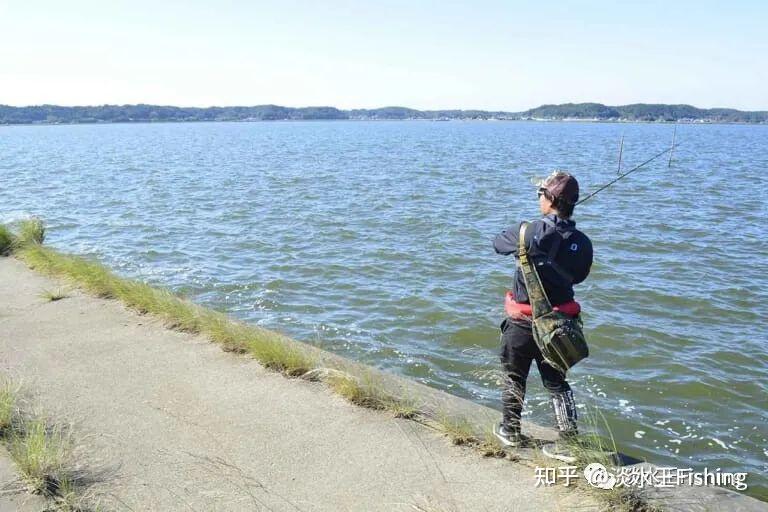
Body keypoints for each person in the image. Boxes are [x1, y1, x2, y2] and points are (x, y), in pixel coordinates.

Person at [492, 170, 593, 450]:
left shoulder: (526, 232)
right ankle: (569, 443)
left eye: (541, 193)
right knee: (557, 384)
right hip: (559, 328)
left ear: (549, 199)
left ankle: (510, 430)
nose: (539, 198)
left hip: (522, 324)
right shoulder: (583, 243)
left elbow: (497, 243)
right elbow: (580, 276)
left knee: (514, 377)